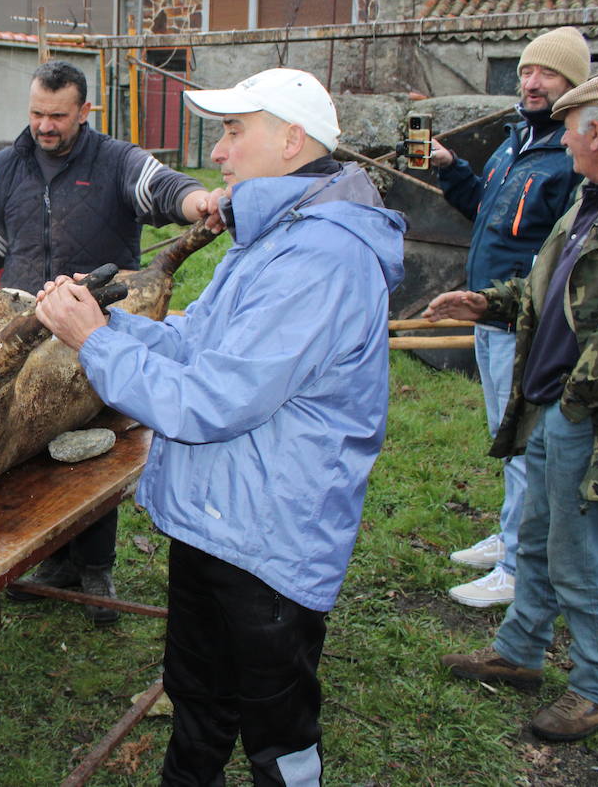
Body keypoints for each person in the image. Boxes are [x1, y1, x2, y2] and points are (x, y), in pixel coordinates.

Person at [36, 67, 405, 784]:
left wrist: (95, 344)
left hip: (271, 539)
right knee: (199, 699)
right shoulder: (273, 236)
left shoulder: (321, 257)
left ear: (293, 140)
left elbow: (210, 401)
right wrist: (112, 323)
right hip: (218, 518)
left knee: (276, 729)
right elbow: (198, 343)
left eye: (236, 131)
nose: (220, 153)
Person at [0, 59, 212, 625]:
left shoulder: (115, 160)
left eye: (57, 115)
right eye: (36, 113)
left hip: (99, 326)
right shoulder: (8, 164)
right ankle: (55, 561)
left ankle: (95, 566)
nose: (44, 125)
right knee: (33, 444)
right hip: (26, 325)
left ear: (85, 111)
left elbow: (164, 187)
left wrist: (197, 203)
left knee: (93, 445)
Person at [433, 71, 598, 742]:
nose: (565, 139)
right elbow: (553, 289)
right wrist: (491, 303)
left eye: (573, 127)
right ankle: (519, 651)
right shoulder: (591, 205)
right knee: (539, 541)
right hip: (552, 404)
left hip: (589, 415)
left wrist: (574, 399)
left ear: (596, 134)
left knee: (579, 553)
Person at [429, 27, 590, 608]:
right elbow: (483, 210)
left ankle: (521, 567)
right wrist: (450, 167)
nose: (532, 82)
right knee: (505, 432)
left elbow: (566, 248)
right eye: (525, 71)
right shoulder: (517, 140)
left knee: (522, 440)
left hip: (530, 322)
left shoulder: (571, 157)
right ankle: (509, 536)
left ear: (574, 85)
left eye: (547, 74)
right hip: (489, 312)